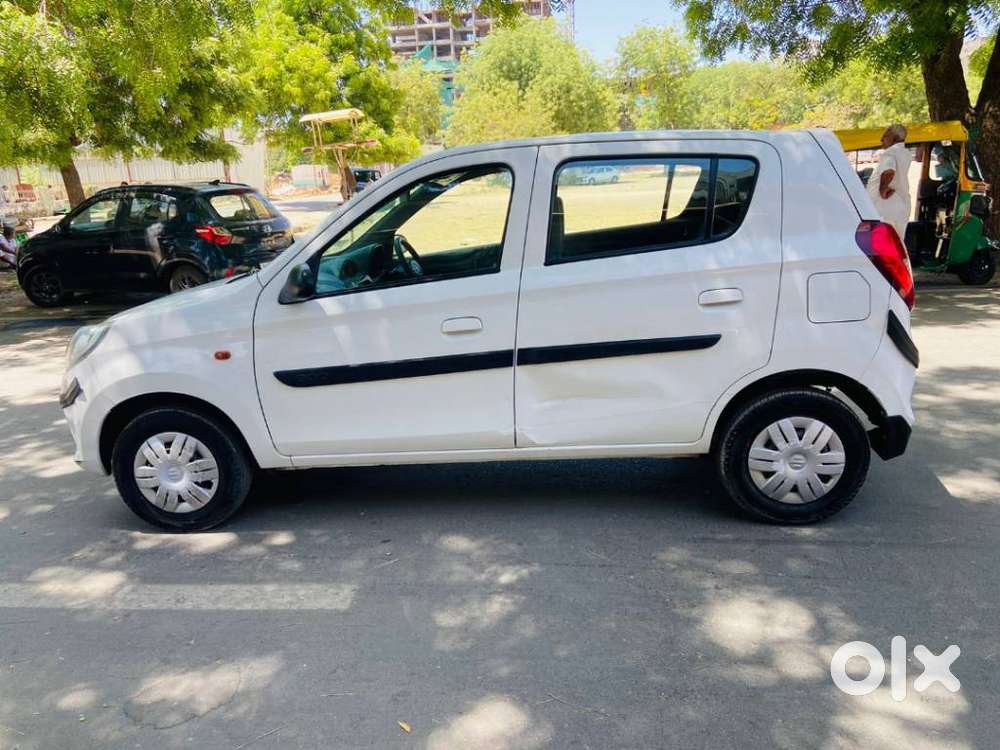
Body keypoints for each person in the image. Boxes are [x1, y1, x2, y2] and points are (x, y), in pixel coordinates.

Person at [867, 123, 913, 242]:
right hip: (899, 205)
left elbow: (888, 171)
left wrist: (883, 189)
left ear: (895, 138)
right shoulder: (905, 153)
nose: (881, 139)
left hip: (887, 206)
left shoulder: (890, 153)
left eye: (885, 136)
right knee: (896, 243)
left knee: (883, 244)